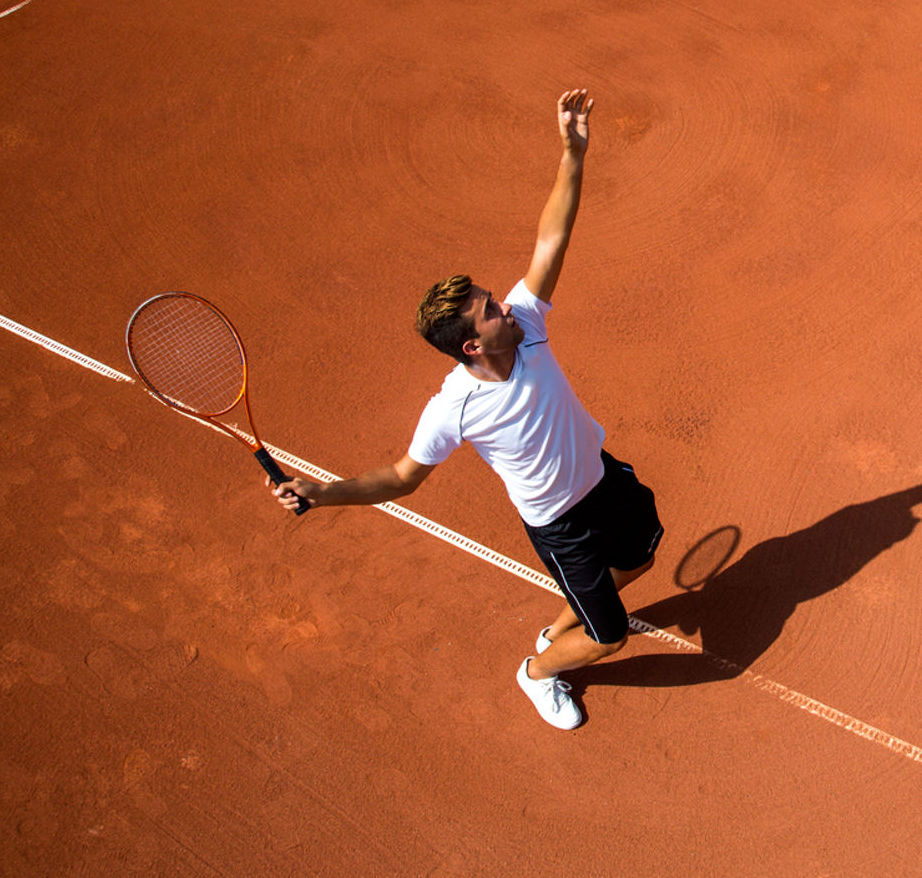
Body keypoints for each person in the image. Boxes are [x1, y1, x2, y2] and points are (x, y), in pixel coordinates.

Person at [270, 89, 663, 730]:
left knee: (641, 557)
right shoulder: (454, 410)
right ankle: (538, 672)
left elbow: (552, 236)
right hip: (560, 524)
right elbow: (400, 478)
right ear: (473, 344)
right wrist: (320, 493)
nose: (505, 303)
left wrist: (573, 153)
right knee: (610, 638)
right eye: (490, 307)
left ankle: (567, 621)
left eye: (492, 296)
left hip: (600, 478)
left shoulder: (527, 325)